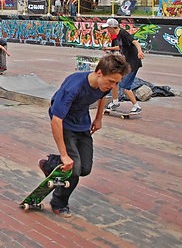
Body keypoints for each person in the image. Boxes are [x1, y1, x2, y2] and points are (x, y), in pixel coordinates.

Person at [40, 54, 130, 217]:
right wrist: (64, 155)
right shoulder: (73, 87)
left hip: (82, 124)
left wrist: (98, 118)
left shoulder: (103, 86)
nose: (113, 86)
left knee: (85, 168)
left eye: (116, 83)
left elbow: (102, 97)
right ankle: (59, 203)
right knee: (73, 169)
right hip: (65, 124)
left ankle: (51, 164)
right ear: (99, 73)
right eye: (111, 81)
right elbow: (56, 120)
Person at [102, 18, 145, 113]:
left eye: (108, 28)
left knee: (125, 87)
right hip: (126, 63)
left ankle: (136, 106)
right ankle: (115, 102)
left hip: (133, 63)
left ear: (113, 27)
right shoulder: (118, 36)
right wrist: (109, 48)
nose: (107, 30)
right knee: (114, 81)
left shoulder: (123, 34)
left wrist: (140, 52)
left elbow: (135, 42)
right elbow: (121, 47)